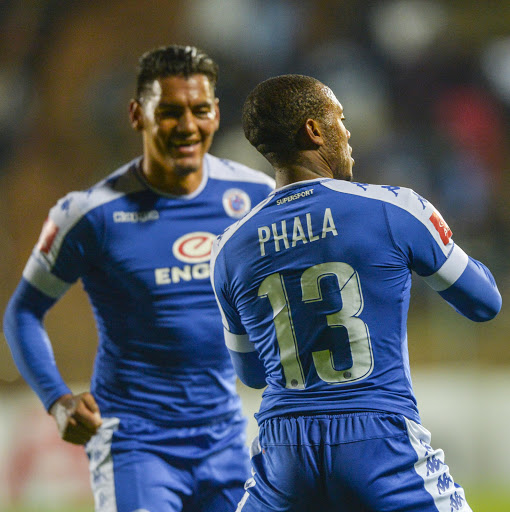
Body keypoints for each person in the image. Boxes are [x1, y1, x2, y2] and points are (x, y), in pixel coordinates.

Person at [210, 74, 502, 512]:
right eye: (339, 118)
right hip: (378, 439)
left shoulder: (229, 248)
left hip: (284, 456)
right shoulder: (394, 209)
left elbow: (251, 373)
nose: (347, 132)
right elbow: (484, 303)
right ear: (314, 130)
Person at [3, 45, 275, 512]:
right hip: (135, 445)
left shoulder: (255, 195)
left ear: (216, 113)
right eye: (169, 112)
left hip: (226, 438)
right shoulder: (90, 214)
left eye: (200, 110)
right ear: (136, 114)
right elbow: (23, 313)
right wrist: (57, 399)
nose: (188, 126)